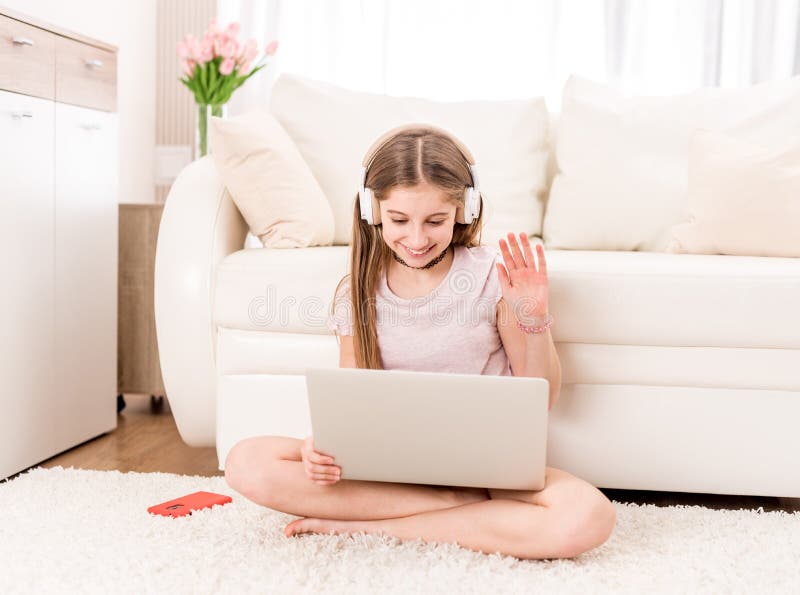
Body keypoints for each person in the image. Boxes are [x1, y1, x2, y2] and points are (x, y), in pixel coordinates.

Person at [224, 123, 616, 560]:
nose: (416, 239)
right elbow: (351, 402)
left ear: (463, 211)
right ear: (373, 211)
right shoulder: (355, 293)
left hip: (486, 477)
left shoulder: (491, 277)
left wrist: (534, 318)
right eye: (398, 220)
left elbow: (540, 394)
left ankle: (385, 525)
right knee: (245, 461)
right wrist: (315, 447)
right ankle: (459, 515)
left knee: (587, 515)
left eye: (435, 221)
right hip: (391, 476)